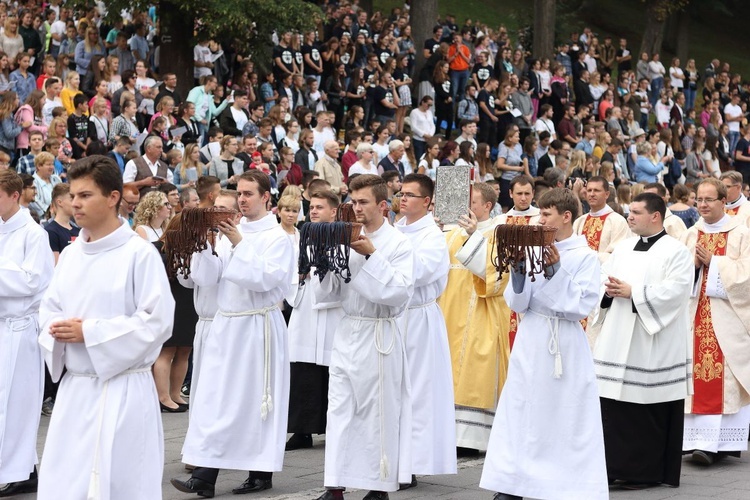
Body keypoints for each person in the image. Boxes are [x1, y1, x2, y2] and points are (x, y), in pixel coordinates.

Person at [37, 155, 174, 499]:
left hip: (124, 391)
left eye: (85, 195)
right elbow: (49, 309)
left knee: (121, 483)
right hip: (77, 391)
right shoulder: (70, 255)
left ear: (113, 197)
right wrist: (56, 327)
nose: (75, 203)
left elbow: (157, 321)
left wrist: (92, 333)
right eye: (73, 195)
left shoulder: (138, 254)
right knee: (68, 484)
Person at [479, 187, 608, 500]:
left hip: (563, 342)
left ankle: (562, 485)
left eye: (546, 214)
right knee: (521, 411)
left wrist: (554, 271)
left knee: (561, 416)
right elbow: (518, 304)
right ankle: (512, 484)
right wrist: (520, 274)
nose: (539, 219)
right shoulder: (532, 249)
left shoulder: (586, 257)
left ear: (566, 217)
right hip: (532, 337)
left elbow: (579, 306)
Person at [173, 170, 295, 497]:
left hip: (259, 327)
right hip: (229, 325)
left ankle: (259, 472)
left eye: (248, 194)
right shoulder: (231, 231)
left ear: (266, 197)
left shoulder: (277, 237)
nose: (241, 199)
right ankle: (204, 474)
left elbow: (266, 280)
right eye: (239, 193)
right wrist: (204, 244)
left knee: (257, 400)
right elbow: (208, 279)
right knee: (218, 400)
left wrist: (238, 243)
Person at [313, 174, 413, 500]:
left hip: (378, 333)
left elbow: (398, 294)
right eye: (353, 201)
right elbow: (328, 294)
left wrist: (371, 255)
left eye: (363, 202)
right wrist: (325, 261)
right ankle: (335, 485)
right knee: (339, 409)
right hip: (348, 330)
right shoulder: (346, 236)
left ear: (383, 205)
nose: (356, 208)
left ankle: (378, 486)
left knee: (376, 412)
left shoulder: (398, 243)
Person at [593, 192, 693, 489]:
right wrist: (609, 290)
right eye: (629, 212)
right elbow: (603, 278)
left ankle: (644, 472)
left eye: (636, 212)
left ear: (656, 216)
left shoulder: (676, 251)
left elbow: (676, 292)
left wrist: (633, 293)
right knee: (614, 406)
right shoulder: (621, 249)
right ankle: (612, 468)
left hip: (652, 341)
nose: (630, 217)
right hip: (617, 334)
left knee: (644, 407)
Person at [680, 178, 750, 465]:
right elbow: (675, 274)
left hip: (726, 319)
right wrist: (693, 265)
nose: (703, 205)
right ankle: (695, 442)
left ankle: (720, 444)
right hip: (693, 316)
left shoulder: (741, 233)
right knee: (694, 377)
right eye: (699, 199)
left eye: (709, 199)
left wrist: (715, 262)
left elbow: (746, 274)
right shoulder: (689, 234)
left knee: (725, 378)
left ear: (724, 201)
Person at [394, 173, 457, 487]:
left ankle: (411, 463)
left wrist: (383, 259)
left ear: (427, 202)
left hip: (418, 318)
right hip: (393, 317)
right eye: (401, 193)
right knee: (393, 390)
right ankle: (392, 458)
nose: (403, 199)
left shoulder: (432, 235)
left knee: (416, 391)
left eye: (410, 195)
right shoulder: (394, 230)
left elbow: (417, 272)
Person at [439, 182, 510, 453]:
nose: (465, 206)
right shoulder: (449, 234)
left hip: (483, 315)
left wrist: (472, 237)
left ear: (487, 206)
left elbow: (495, 277)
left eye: (472, 201)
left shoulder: (499, 234)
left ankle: (471, 439)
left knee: (475, 372)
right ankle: (446, 432)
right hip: (448, 314)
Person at [0, 169, 54, 497]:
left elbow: (33, 281)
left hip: (19, 328)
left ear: (15, 196)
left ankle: (18, 470)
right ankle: (23, 466)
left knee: (16, 403)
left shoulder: (34, 234)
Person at [286, 190, 345, 450]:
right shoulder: (302, 237)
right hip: (306, 312)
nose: (314, 211)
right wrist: (298, 276)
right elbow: (288, 273)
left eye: (320, 207)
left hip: (334, 313)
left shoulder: (344, 238)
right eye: (312, 207)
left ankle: (335, 428)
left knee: (334, 373)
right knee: (304, 371)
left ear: (334, 211)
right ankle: (301, 430)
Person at [492, 175, 541, 350]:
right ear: (510, 193)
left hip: (531, 283)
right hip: (504, 285)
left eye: (527, 193)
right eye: (519, 193)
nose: (523, 198)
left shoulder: (540, 219)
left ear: (533, 194)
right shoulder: (500, 221)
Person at [573, 176, 631, 263]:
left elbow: (617, 254)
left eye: (596, 190)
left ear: (606, 194)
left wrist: (586, 256)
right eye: (589, 190)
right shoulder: (579, 221)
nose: (592, 194)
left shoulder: (618, 221)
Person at [44, 183, 80, 264]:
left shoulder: (78, 230)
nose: (75, 203)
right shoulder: (50, 231)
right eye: (72, 199)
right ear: (60, 202)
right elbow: (55, 266)